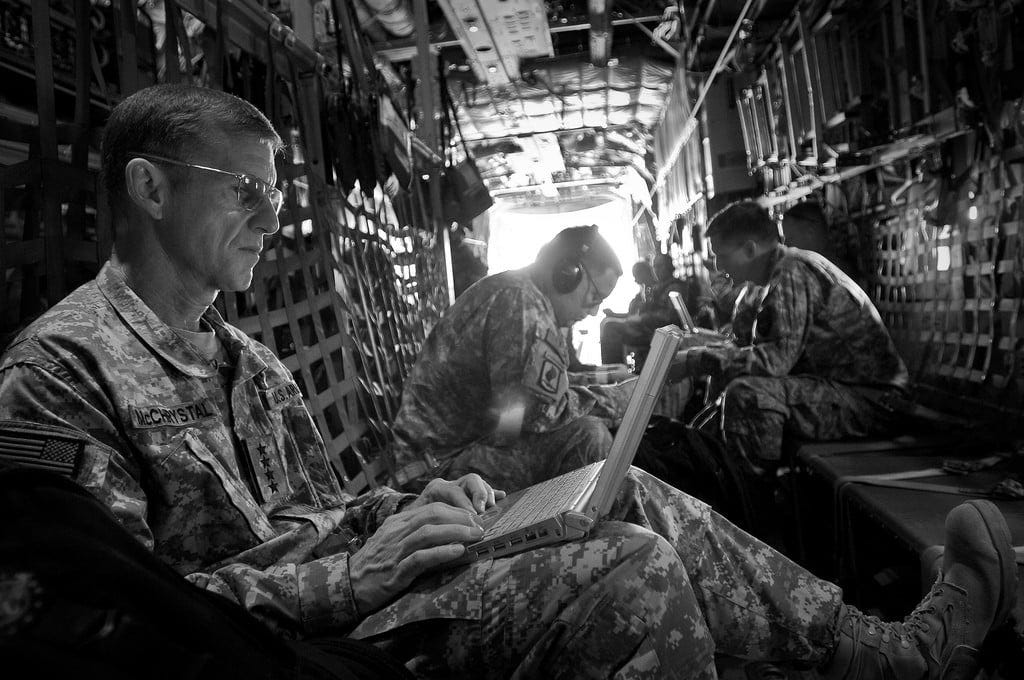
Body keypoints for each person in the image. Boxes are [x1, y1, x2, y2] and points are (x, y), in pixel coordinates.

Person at [0, 84, 1015, 680]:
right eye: (248, 191)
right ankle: (885, 652)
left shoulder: (250, 364)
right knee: (630, 560)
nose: (273, 217)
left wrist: (413, 509)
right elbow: (90, 623)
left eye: (275, 192)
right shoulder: (59, 372)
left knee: (627, 496)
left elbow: (319, 513)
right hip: (284, 640)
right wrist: (351, 573)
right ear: (149, 185)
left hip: (360, 584)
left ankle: (884, 648)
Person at [673, 201, 910, 518]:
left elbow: (775, 362)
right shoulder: (771, 279)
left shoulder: (792, 273)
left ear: (749, 249)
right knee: (730, 382)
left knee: (749, 397)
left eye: (720, 254)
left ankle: (751, 517)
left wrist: (695, 361)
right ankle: (701, 476)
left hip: (873, 401)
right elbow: (758, 350)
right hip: (840, 391)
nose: (716, 265)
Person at [388, 224, 637, 493]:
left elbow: (542, 391)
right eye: (594, 296)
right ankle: (617, 534)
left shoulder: (523, 294)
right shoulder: (520, 303)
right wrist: (622, 399)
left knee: (589, 428)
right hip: (437, 471)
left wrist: (611, 384)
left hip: (456, 454)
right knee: (588, 437)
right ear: (567, 274)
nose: (593, 311)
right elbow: (540, 412)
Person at [601, 253, 711, 364]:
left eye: (660, 266)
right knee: (608, 324)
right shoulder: (658, 288)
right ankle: (615, 371)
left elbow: (671, 317)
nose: (656, 270)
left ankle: (613, 375)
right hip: (652, 329)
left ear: (669, 267)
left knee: (610, 327)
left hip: (659, 333)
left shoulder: (674, 287)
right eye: (655, 266)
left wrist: (642, 318)